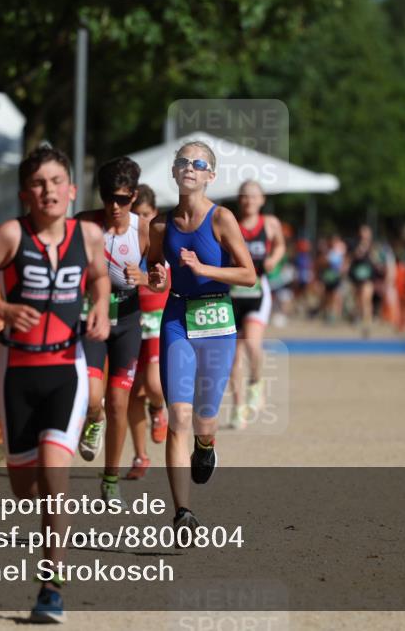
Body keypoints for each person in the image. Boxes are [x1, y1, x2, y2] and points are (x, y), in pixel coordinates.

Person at [0, 146, 110, 623]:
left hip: (67, 367)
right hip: (16, 369)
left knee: (55, 473)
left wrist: (100, 304)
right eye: (39, 183)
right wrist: (1, 310)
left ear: (72, 190)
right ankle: (44, 516)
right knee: (25, 485)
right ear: (26, 194)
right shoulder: (9, 235)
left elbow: (100, 276)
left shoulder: (89, 235)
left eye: (57, 181)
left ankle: (51, 586)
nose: (49, 190)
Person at [146, 140, 256, 533]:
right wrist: (155, 277)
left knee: (203, 423)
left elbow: (248, 275)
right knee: (179, 416)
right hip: (177, 317)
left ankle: (206, 446)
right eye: (183, 162)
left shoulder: (223, 218)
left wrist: (206, 268)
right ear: (174, 172)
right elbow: (155, 272)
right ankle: (182, 513)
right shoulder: (159, 225)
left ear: (210, 175)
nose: (189, 167)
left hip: (217, 321)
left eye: (198, 163)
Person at [74, 157, 149, 502]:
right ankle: (94, 417)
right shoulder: (84, 224)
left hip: (130, 321)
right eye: (108, 197)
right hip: (92, 319)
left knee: (119, 401)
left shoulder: (145, 229)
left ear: (133, 196)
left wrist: (147, 278)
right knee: (93, 399)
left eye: (122, 199)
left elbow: (164, 280)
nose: (114, 206)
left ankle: (110, 477)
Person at [227, 180, 286, 429]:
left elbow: (281, 245)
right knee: (233, 355)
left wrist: (273, 258)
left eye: (253, 197)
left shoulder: (270, 223)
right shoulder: (230, 224)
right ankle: (239, 406)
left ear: (262, 200)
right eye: (244, 196)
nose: (249, 201)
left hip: (257, 292)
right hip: (232, 293)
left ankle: (257, 382)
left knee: (252, 342)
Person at [124, 184, 169, 480]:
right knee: (130, 393)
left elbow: (166, 282)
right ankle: (140, 455)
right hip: (128, 317)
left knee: (153, 383)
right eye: (135, 214)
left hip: (156, 316)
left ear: (154, 213)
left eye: (145, 214)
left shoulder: (161, 239)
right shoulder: (122, 238)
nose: (140, 220)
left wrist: (144, 279)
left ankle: (159, 407)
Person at [348, 224, 385, 338]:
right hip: (357, 277)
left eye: (366, 233)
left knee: (366, 299)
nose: (364, 235)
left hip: (368, 277)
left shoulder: (374, 247)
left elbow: (378, 262)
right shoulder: (355, 246)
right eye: (362, 233)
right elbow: (351, 259)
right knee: (359, 300)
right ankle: (358, 317)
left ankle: (366, 323)